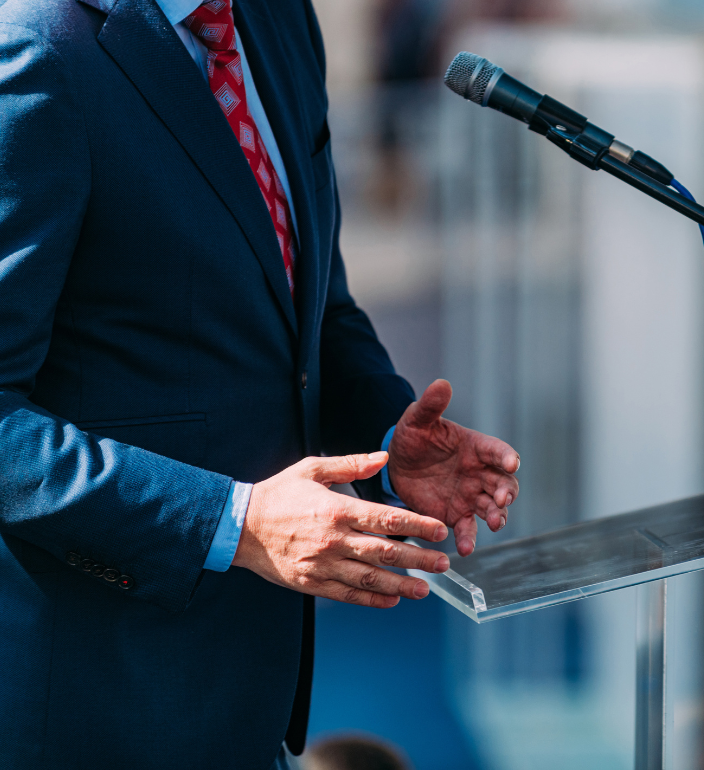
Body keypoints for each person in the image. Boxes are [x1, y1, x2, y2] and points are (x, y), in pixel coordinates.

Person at [0, 0, 519, 768]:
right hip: (102, 697)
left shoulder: (276, 18)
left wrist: (385, 435)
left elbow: (312, 307)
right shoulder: (37, 53)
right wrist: (234, 521)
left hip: (252, 693)